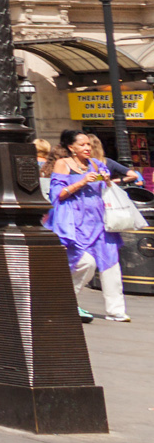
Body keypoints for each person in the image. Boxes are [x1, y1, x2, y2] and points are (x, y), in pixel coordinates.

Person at [49, 131, 131, 323]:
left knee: (111, 265)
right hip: (75, 224)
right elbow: (58, 194)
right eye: (83, 145)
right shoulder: (63, 164)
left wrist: (106, 180)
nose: (88, 148)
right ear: (71, 147)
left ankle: (116, 310)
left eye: (89, 144)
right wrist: (82, 181)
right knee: (85, 262)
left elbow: (106, 187)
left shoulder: (96, 164)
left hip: (100, 222)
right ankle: (65, 300)